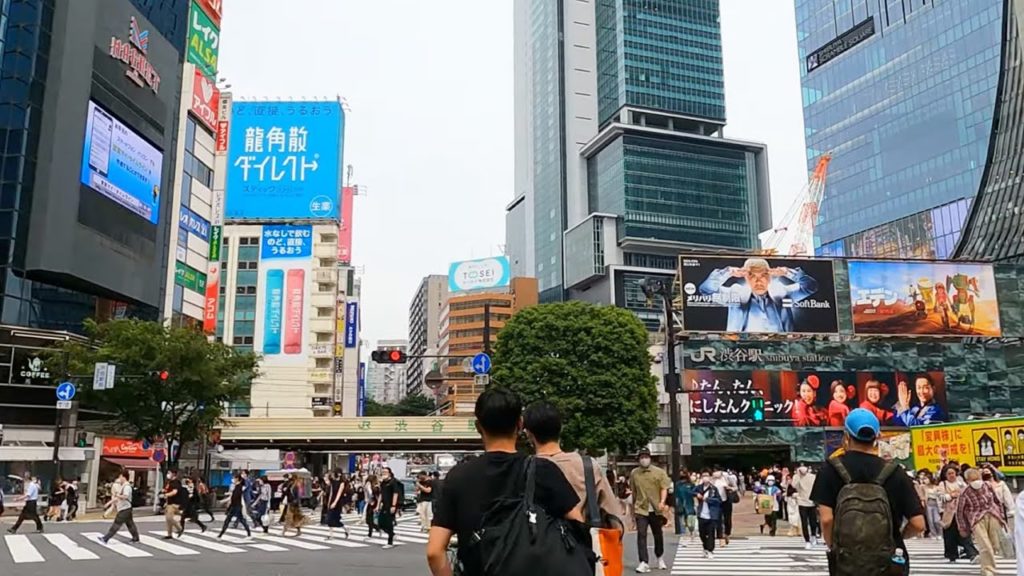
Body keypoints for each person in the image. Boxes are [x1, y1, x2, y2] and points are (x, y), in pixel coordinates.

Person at [426, 388, 582, 576]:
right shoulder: (543, 470)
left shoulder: (459, 476)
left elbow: (435, 552)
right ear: (520, 423)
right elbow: (577, 524)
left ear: (478, 427)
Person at [811, 408, 925, 576]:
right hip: (889, 563)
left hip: (847, 562)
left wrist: (835, 547)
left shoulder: (829, 469)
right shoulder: (896, 472)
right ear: (877, 437)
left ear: (846, 436)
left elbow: (827, 520)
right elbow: (918, 524)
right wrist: (897, 537)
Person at [522, 401, 623, 521]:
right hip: (582, 537)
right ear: (561, 428)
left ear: (528, 433)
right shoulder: (588, 466)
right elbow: (614, 516)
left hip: (537, 538)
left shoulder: (524, 469)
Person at [697, 258, 820, 332]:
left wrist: (787, 272)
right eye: (752, 276)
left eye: (763, 275)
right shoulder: (736, 293)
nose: (758, 281)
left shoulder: (782, 292)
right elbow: (706, 290)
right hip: (743, 350)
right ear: (745, 277)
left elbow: (811, 286)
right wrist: (727, 272)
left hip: (781, 350)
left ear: (770, 276)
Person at [957, 467, 1005, 576]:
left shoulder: (987, 486)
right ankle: (988, 570)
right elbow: (960, 511)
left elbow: (997, 501)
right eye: (972, 480)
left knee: (995, 544)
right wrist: (962, 527)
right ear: (967, 480)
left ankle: (984, 560)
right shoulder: (964, 492)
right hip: (976, 519)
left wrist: (1001, 516)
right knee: (985, 545)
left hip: (992, 515)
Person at [629, 447, 671, 572]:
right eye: (641, 457)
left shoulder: (659, 472)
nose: (644, 460)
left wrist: (662, 502)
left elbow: (664, 488)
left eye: (646, 457)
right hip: (640, 508)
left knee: (657, 534)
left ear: (650, 458)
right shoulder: (634, 473)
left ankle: (659, 557)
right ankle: (643, 561)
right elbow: (634, 491)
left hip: (656, 508)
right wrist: (632, 511)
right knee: (641, 534)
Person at [939, 464, 979, 562]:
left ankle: (971, 553)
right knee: (950, 535)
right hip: (949, 513)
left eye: (953, 473)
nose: (951, 475)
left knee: (964, 533)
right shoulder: (942, 484)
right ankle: (952, 555)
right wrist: (952, 495)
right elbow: (941, 497)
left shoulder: (961, 483)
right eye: (949, 474)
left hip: (961, 512)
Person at [100, 470, 139, 543]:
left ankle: (106, 538)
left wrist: (118, 495)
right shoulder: (123, 486)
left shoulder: (127, 486)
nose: (119, 478)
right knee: (130, 524)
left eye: (120, 477)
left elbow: (125, 496)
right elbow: (117, 498)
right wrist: (109, 503)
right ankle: (136, 538)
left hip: (125, 508)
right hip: (126, 508)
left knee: (117, 523)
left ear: (123, 477)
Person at [792, 464, 820, 549]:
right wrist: (798, 476)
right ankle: (807, 540)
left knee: (813, 521)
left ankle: (813, 536)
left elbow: (817, 487)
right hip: (802, 502)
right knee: (804, 522)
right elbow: (794, 485)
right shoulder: (797, 477)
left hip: (811, 502)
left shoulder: (812, 477)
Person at [695, 472, 722, 559]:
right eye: (703, 476)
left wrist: (708, 499)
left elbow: (718, 500)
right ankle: (705, 548)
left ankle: (710, 550)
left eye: (707, 476)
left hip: (711, 515)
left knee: (711, 533)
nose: (705, 478)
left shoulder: (714, 489)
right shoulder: (699, 487)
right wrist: (696, 494)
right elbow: (690, 491)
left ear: (710, 478)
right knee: (702, 533)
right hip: (701, 514)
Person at [218, 473, 252, 539]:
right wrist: (224, 501)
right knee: (241, 520)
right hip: (236, 506)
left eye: (234, 478)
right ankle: (249, 534)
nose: (233, 479)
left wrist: (225, 501)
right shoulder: (237, 487)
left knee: (228, 520)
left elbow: (234, 497)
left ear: (237, 479)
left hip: (236, 506)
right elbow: (232, 496)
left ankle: (220, 535)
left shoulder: (239, 487)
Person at [377, 467, 399, 549]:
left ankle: (390, 542)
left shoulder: (393, 482)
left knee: (389, 523)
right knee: (380, 522)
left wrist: (393, 506)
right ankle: (392, 534)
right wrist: (378, 505)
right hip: (384, 505)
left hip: (390, 505)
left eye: (385, 472)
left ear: (389, 473)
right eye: (383, 472)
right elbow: (381, 494)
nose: (384, 473)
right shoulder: (383, 483)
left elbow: (395, 494)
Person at [326, 470, 351, 540]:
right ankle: (331, 535)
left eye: (334, 473)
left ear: (339, 474)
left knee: (335, 519)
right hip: (332, 501)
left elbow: (339, 494)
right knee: (329, 519)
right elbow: (331, 493)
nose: (333, 475)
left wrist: (335, 502)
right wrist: (329, 502)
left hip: (338, 502)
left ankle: (346, 528)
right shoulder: (332, 482)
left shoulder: (342, 483)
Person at [163, 469, 186, 539]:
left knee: (169, 518)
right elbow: (166, 489)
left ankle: (179, 528)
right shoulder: (169, 482)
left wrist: (166, 494)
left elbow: (174, 492)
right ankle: (169, 534)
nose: (168, 474)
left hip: (174, 503)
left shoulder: (176, 482)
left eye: (169, 473)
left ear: (173, 474)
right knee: (168, 519)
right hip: (169, 503)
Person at [674, 471, 696, 540]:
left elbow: (694, 493)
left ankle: (691, 532)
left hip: (689, 504)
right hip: (680, 503)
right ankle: (683, 534)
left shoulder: (691, 484)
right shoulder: (678, 484)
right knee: (681, 520)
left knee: (690, 521)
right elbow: (676, 495)